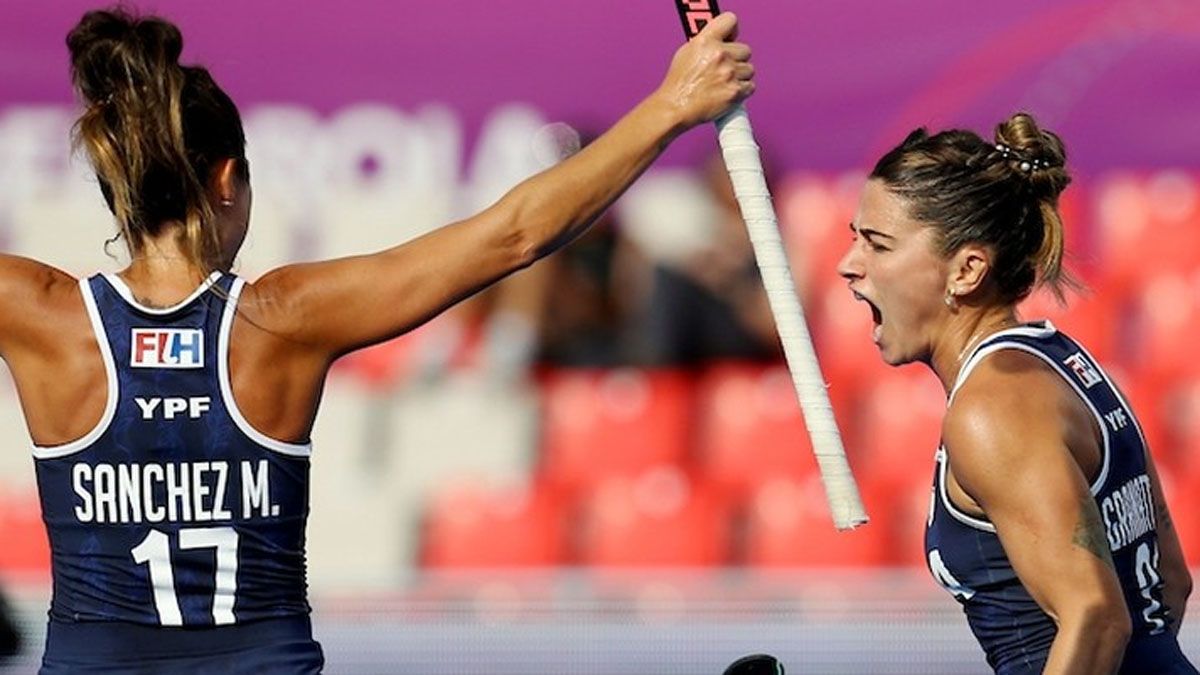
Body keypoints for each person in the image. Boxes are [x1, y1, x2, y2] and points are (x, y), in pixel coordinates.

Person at [3, 7, 754, 672]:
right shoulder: (282, 318)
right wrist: (671, 106)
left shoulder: (43, 317)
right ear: (229, 180)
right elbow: (514, 234)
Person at [837, 113, 1195, 674]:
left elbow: (1098, 618)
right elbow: (1169, 582)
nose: (848, 266)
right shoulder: (1068, 365)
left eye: (878, 245)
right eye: (853, 239)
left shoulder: (994, 407)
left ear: (967, 270)